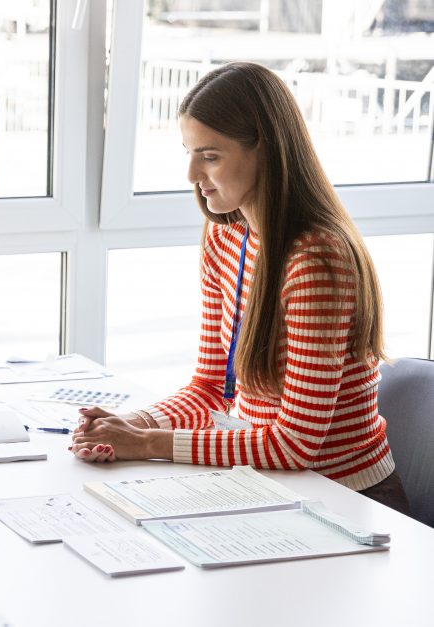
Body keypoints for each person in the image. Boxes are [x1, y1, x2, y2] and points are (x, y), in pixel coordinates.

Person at [70, 62, 410, 513]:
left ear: (265, 152)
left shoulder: (316, 259)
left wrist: (146, 441)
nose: (192, 174)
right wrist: (127, 424)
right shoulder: (226, 236)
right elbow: (214, 385)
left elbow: (295, 445)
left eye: (210, 156)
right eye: (189, 152)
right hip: (272, 488)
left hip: (346, 497)